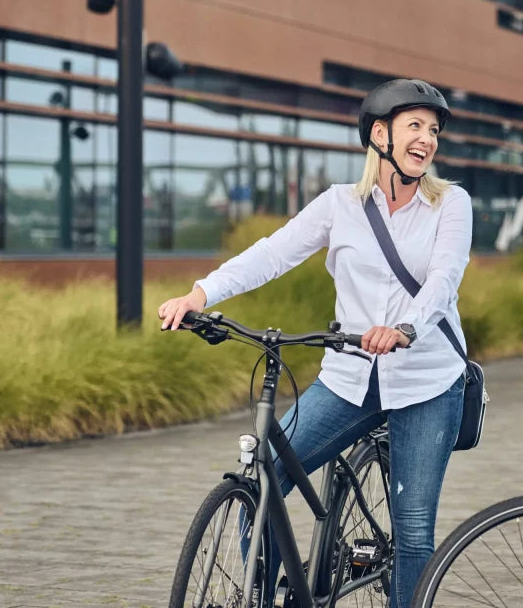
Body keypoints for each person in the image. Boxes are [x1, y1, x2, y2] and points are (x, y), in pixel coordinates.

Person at [159, 78, 473, 608]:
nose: (428, 139)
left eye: (434, 130)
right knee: (263, 475)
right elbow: (271, 253)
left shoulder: (451, 204)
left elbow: (444, 280)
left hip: (426, 382)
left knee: (414, 529)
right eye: (415, 126)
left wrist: (405, 328)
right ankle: (264, 598)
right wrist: (201, 293)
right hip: (349, 378)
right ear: (380, 135)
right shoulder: (339, 205)